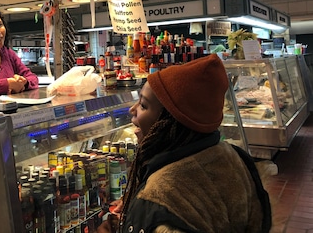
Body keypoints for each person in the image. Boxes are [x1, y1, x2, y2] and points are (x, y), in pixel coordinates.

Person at [98, 54, 271, 233]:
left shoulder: (162, 200)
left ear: (171, 122)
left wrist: (144, 213)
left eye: (143, 105)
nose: (131, 109)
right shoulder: (230, 156)